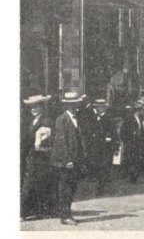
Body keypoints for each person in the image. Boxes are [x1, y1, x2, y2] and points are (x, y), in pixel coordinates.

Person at [50, 92, 87, 225]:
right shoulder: (62, 120)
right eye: (72, 104)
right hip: (66, 161)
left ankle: (67, 214)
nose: (75, 107)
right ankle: (65, 216)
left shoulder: (77, 119)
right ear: (67, 105)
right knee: (64, 188)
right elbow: (61, 142)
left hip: (76, 159)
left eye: (76, 104)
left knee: (71, 187)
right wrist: (67, 160)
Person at [20, 94, 54, 220]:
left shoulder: (45, 121)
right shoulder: (30, 121)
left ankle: (23, 212)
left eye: (36, 106)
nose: (33, 109)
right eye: (31, 107)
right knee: (34, 183)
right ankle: (36, 210)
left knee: (31, 183)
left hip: (40, 157)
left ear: (41, 107)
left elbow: (45, 142)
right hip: (30, 156)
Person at [88, 99, 118, 196]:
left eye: (99, 107)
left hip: (106, 148)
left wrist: (113, 144)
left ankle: (101, 188)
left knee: (104, 168)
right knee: (96, 167)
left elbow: (114, 134)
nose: (98, 108)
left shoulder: (109, 119)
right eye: (96, 107)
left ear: (104, 107)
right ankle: (99, 186)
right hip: (95, 147)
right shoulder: (93, 118)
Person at [119, 100, 144, 183]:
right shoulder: (129, 118)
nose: (143, 112)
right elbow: (123, 130)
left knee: (135, 159)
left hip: (137, 143)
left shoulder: (140, 119)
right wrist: (126, 140)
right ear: (138, 111)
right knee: (130, 159)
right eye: (142, 110)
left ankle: (133, 175)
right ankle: (131, 175)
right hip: (130, 142)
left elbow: (141, 130)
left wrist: (143, 138)